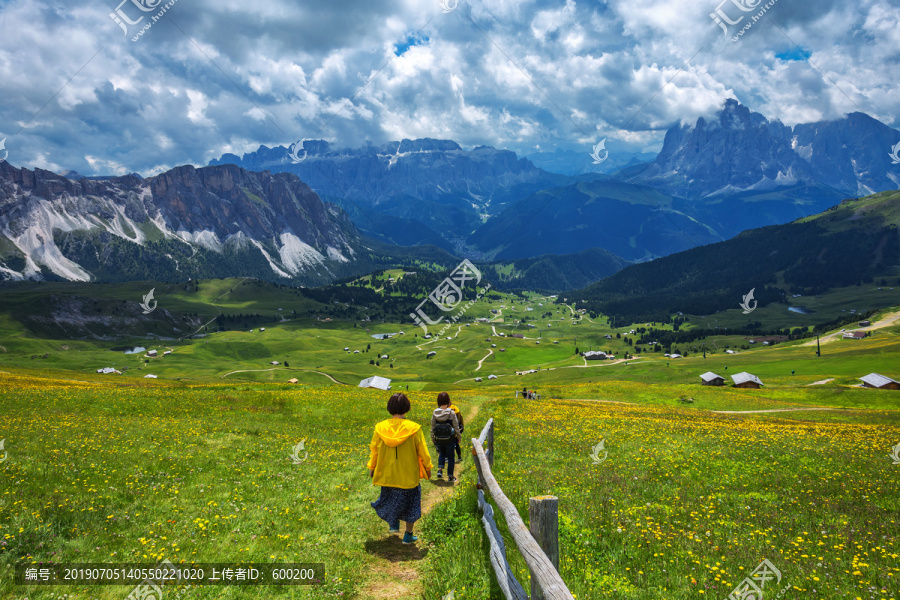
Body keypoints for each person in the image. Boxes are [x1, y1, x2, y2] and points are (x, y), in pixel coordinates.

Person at [368, 392, 432, 544]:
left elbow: (374, 450)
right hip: (409, 476)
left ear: (389, 408)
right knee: (411, 505)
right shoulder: (414, 428)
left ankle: (393, 524)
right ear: (407, 408)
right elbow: (423, 451)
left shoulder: (380, 428)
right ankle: (408, 535)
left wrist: (372, 467)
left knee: (390, 499)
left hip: (387, 475)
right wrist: (428, 467)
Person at [431, 392, 461, 483]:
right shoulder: (451, 412)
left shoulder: (435, 412)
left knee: (442, 453)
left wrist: (433, 438)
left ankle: (440, 470)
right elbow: (456, 426)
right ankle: (450, 477)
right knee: (451, 457)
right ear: (448, 401)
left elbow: (432, 427)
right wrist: (459, 437)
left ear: (438, 401)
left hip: (439, 438)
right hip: (449, 439)